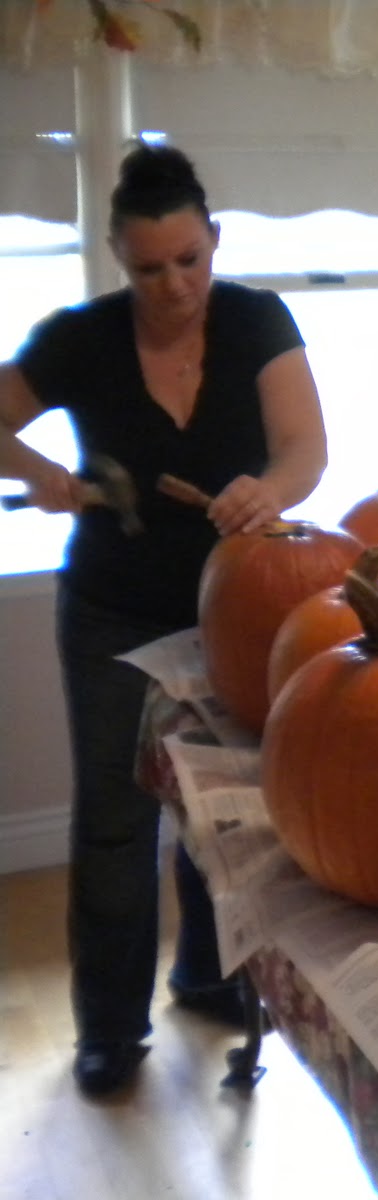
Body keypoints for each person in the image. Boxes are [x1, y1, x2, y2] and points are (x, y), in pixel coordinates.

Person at [0, 142, 328, 1097]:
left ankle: (206, 975)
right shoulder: (81, 337)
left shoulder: (259, 320)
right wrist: (47, 480)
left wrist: (266, 494)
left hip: (232, 605)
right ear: (119, 259)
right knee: (114, 820)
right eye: (149, 268)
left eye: (189, 259)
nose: (174, 284)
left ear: (213, 241)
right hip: (109, 612)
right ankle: (108, 1028)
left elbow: (305, 446)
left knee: (217, 812)